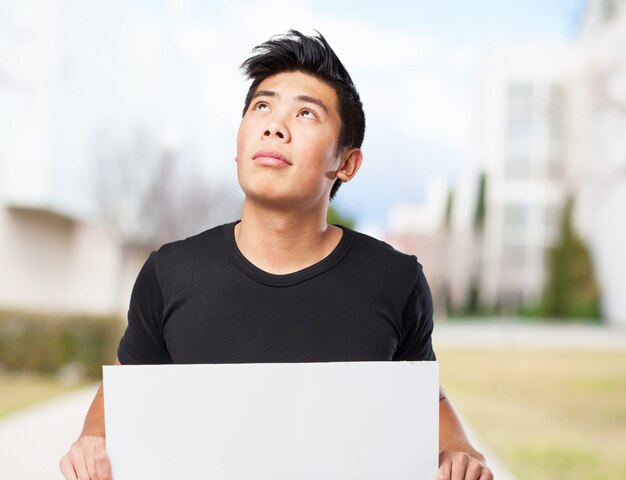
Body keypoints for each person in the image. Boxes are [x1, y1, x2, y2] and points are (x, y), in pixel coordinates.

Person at [60, 29, 493, 480]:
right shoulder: (169, 273)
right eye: (261, 107)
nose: (273, 125)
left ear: (346, 163)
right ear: (240, 139)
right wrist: (91, 443)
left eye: (306, 113)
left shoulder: (395, 280)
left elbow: (425, 399)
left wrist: (460, 451)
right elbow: (125, 389)